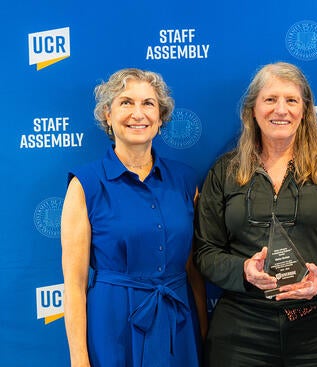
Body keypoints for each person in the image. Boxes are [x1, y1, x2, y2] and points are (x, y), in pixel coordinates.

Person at [194, 62, 317, 367]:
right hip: (243, 331)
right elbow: (205, 251)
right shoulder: (225, 172)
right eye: (270, 99)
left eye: (291, 100)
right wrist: (244, 270)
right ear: (252, 110)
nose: (281, 109)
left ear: (304, 111)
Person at [61, 68, 207, 367]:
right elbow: (74, 284)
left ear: (161, 116)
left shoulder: (185, 181)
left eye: (148, 104)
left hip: (178, 323)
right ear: (107, 114)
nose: (137, 113)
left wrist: (203, 334)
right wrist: (78, 359)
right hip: (112, 325)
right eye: (126, 103)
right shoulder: (85, 184)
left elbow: (194, 270)